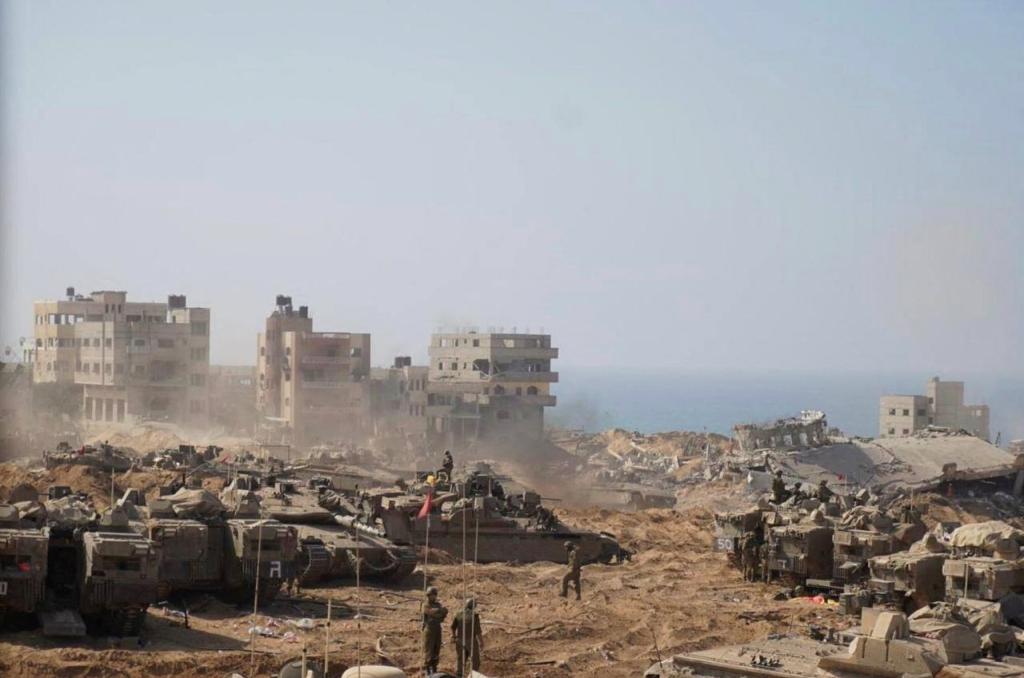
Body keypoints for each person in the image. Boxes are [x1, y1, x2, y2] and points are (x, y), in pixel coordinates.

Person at [451, 598, 483, 677]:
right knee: (475, 660)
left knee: (461, 660)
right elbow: (478, 630)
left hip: (459, 640)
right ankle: (473, 675)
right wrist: (481, 642)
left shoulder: (458, 613)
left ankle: (459, 675)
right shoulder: (474, 615)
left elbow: (452, 627)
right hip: (470, 640)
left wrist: (454, 636)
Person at [421, 586, 448, 675]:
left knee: (437, 648)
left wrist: (438, 612)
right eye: (432, 595)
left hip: (437, 628)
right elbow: (430, 612)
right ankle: (428, 669)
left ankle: (434, 667)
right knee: (429, 650)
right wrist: (439, 612)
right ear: (428, 595)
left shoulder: (437, 604)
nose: (434, 597)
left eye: (434, 595)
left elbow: (444, 612)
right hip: (429, 629)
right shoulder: (425, 604)